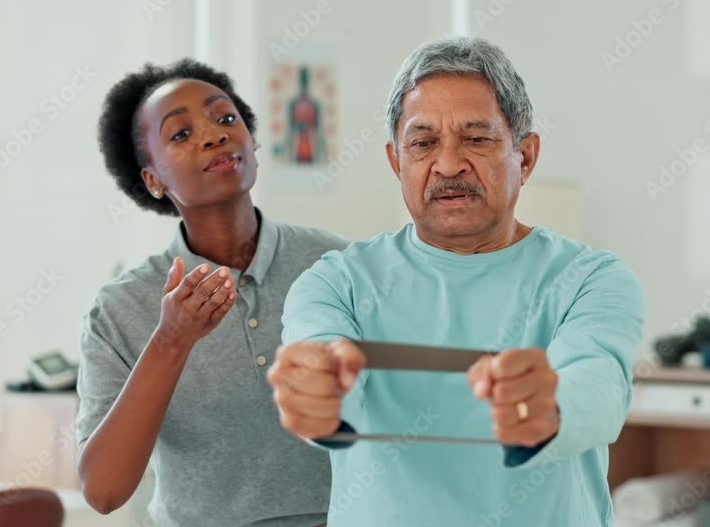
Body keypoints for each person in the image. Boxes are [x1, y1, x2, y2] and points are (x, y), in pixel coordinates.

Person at [266, 37, 646, 526]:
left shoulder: (592, 279)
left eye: (477, 138)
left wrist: (550, 404)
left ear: (525, 157)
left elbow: (599, 388)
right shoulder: (334, 283)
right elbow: (324, 365)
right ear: (395, 161)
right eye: (423, 143)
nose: (448, 165)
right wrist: (315, 392)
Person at [76, 59, 345, 527]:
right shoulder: (121, 309)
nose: (214, 135)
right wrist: (172, 340)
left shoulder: (335, 265)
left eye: (225, 119)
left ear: (253, 142)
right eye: (180, 134)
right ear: (153, 179)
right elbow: (103, 491)